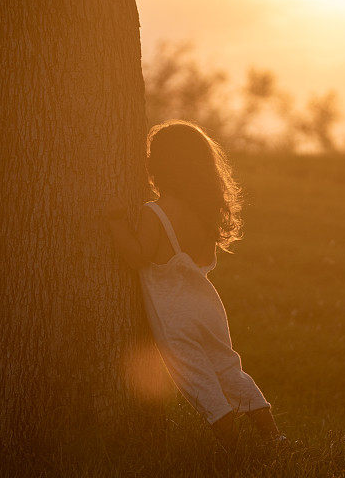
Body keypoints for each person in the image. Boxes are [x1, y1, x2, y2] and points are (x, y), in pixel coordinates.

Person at [105, 119, 283, 452]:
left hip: (176, 314)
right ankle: (273, 437)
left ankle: (234, 448)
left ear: (158, 166)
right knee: (229, 368)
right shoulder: (204, 213)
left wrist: (116, 222)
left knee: (198, 380)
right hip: (208, 306)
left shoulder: (155, 212)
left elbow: (138, 257)